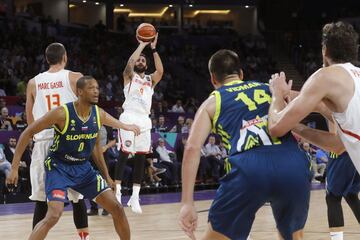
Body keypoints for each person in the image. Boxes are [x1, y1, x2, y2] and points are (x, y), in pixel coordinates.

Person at [179, 49, 311, 240]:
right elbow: (319, 102)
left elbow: (192, 148)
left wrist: (187, 203)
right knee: (293, 236)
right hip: (292, 164)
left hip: (249, 168)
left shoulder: (212, 102)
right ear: (241, 74)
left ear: (213, 79)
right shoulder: (272, 88)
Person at [6, 76, 140, 240]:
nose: (96, 91)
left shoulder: (99, 115)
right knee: (54, 215)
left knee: (117, 208)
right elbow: (27, 133)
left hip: (83, 169)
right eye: (91, 87)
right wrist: (13, 168)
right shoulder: (62, 113)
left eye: (97, 87)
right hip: (58, 168)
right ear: (80, 92)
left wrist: (107, 176)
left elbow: (97, 149)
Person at [267, 21, 360, 173]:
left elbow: (276, 127)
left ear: (325, 50)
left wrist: (277, 94)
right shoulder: (353, 81)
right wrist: (296, 125)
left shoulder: (325, 76)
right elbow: (338, 145)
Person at [25, 42, 91, 239]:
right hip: (68, 142)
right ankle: (84, 238)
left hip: (43, 141)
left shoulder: (33, 82)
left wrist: (34, 138)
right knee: (77, 197)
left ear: (47, 59)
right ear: (65, 57)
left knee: (41, 199)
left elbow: (30, 119)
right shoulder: (75, 77)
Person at [115, 32, 163, 214]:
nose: (141, 61)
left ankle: (135, 196)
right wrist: (142, 45)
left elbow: (160, 71)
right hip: (129, 117)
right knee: (124, 153)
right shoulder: (129, 76)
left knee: (141, 158)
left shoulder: (150, 80)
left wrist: (153, 48)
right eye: (139, 60)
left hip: (144, 119)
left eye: (144, 61)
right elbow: (129, 64)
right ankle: (118, 192)